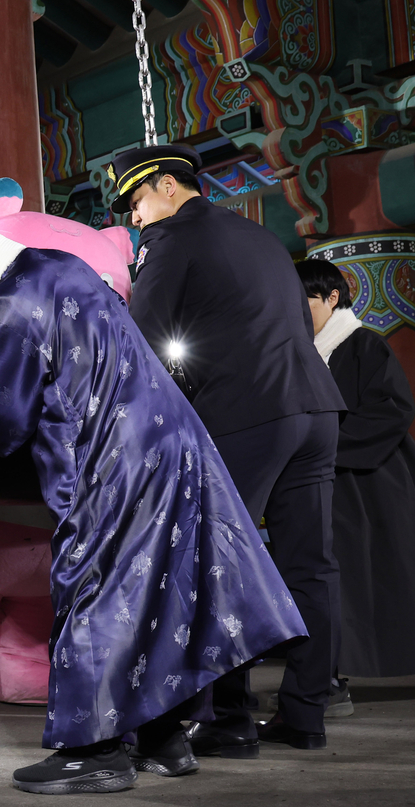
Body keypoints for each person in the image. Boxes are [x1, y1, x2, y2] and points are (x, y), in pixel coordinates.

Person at [0, 209, 306, 795]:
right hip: (174, 446)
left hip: (112, 465)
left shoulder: (12, 305)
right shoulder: (62, 267)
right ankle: (163, 741)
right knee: (164, 590)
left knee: (91, 592)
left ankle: (90, 751)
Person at [120, 144, 345, 754]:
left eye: (135, 201)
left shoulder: (168, 241)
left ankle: (228, 719)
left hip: (248, 416)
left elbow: (140, 341)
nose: (133, 217)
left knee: (223, 564)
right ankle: (305, 716)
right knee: (311, 568)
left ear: (167, 187)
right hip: (316, 410)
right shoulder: (260, 236)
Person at [296, 259, 415, 680]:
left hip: (372, 483)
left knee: (373, 578)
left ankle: (336, 678)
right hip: (326, 479)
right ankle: (328, 676)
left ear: (333, 298)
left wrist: (325, 444)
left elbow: (392, 409)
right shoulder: (304, 353)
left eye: (306, 300)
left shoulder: (364, 344)